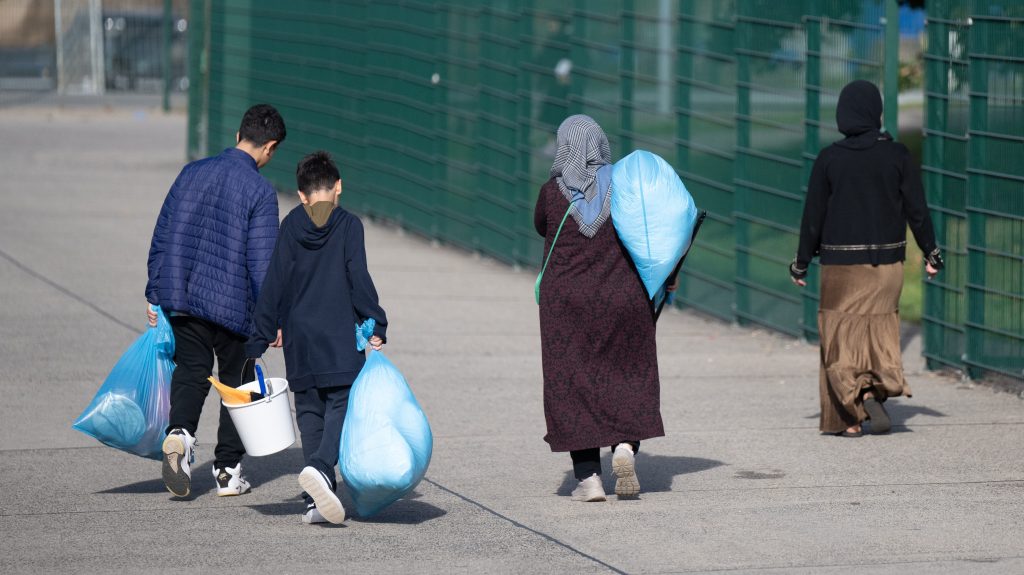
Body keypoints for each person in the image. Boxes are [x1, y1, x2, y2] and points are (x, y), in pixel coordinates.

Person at [145, 103, 286, 498]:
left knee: (191, 369)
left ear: (238, 134)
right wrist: (271, 315)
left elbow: (162, 234)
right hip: (234, 304)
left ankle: (180, 437)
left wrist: (154, 291)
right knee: (237, 383)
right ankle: (227, 470)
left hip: (184, 295)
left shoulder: (191, 173)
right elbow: (262, 263)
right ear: (270, 147)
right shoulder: (260, 191)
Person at [790, 80, 943, 438]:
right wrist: (931, 253)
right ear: (875, 113)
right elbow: (917, 211)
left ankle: (850, 418)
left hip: (841, 268)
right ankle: (874, 389)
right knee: (879, 330)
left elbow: (813, 216)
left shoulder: (830, 159)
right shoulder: (898, 155)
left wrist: (801, 262)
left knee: (840, 336)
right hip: (887, 267)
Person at [246, 151, 387, 525]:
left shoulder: (291, 224)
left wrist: (259, 335)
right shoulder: (349, 226)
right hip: (339, 336)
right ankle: (323, 469)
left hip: (301, 339)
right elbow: (359, 278)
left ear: (302, 194)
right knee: (341, 403)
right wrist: (376, 321)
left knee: (309, 411)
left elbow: (275, 281)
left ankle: (314, 502)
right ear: (338, 187)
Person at [534, 114, 666, 502]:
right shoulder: (625, 187)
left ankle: (588, 478)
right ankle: (625, 445)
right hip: (621, 298)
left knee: (573, 383)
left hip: (566, 304)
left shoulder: (550, 192)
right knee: (628, 373)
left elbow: (542, 227)